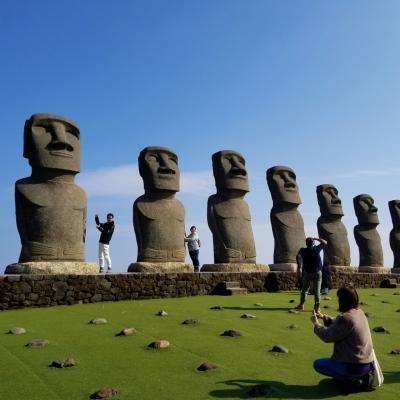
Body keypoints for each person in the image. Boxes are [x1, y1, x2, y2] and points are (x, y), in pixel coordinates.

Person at [311, 286, 375, 393]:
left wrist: (315, 323)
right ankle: (358, 377)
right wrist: (323, 317)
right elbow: (339, 323)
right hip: (368, 364)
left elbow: (327, 336)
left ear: (343, 301)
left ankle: (351, 380)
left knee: (317, 364)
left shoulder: (346, 318)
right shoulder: (359, 312)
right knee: (326, 364)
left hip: (352, 366)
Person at [295, 237, 327, 311]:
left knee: (304, 289)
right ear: (313, 243)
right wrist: (316, 238)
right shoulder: (316, 249)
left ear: (306, 243)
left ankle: (301, 305)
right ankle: (317, 307)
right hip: (317, 272)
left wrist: (299, 267)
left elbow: (298, 256)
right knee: (317, 290)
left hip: (308, 272)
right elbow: (325, 242)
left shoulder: (303, 250)